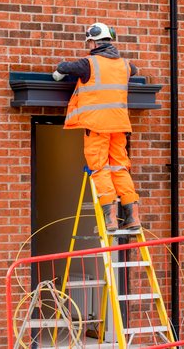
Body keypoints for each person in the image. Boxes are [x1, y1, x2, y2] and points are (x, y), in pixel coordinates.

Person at [53, 22, 140, 232]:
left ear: (92, 42)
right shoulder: (125, 65)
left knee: (99, 168)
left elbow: (65, 67)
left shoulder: (89, 63)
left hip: (97, 126)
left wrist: (58, 71)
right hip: (119, 126)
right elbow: (134, 71)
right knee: (120, 167)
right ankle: (133, 217)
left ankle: (110, 219)